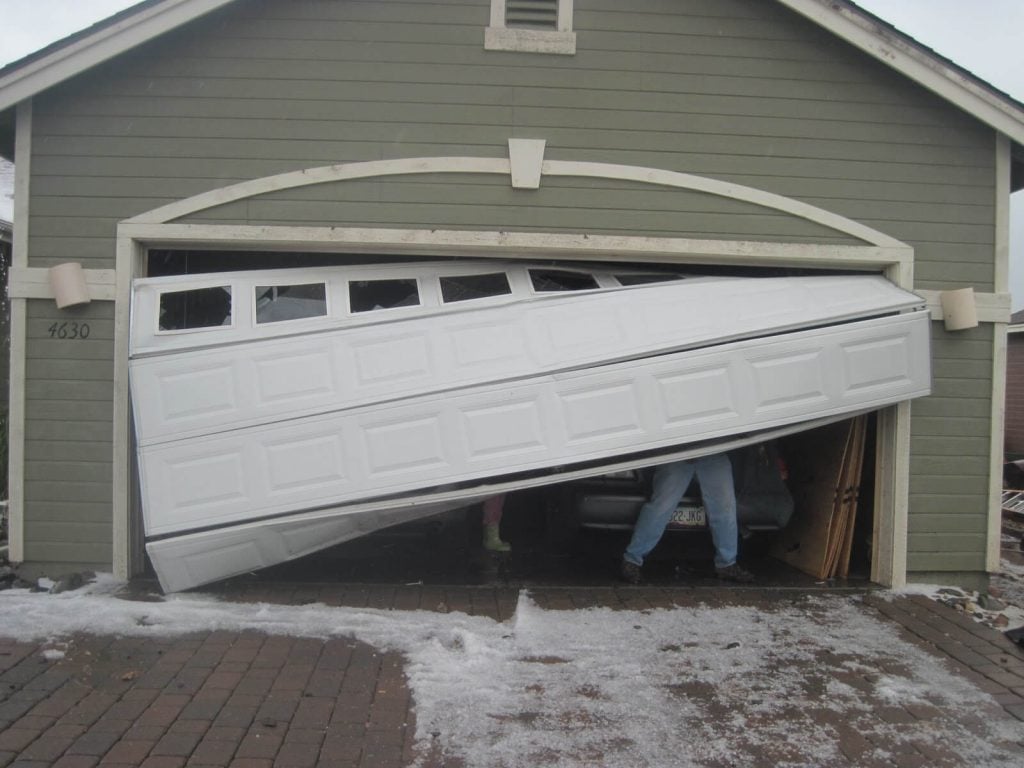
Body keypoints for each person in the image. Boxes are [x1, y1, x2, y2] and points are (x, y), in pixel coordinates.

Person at [620, 452, 753, 584]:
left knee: (725, 509)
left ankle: (727, 564)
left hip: (712, 452)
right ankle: (632, 560)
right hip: (680, 452)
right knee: (660, 508)